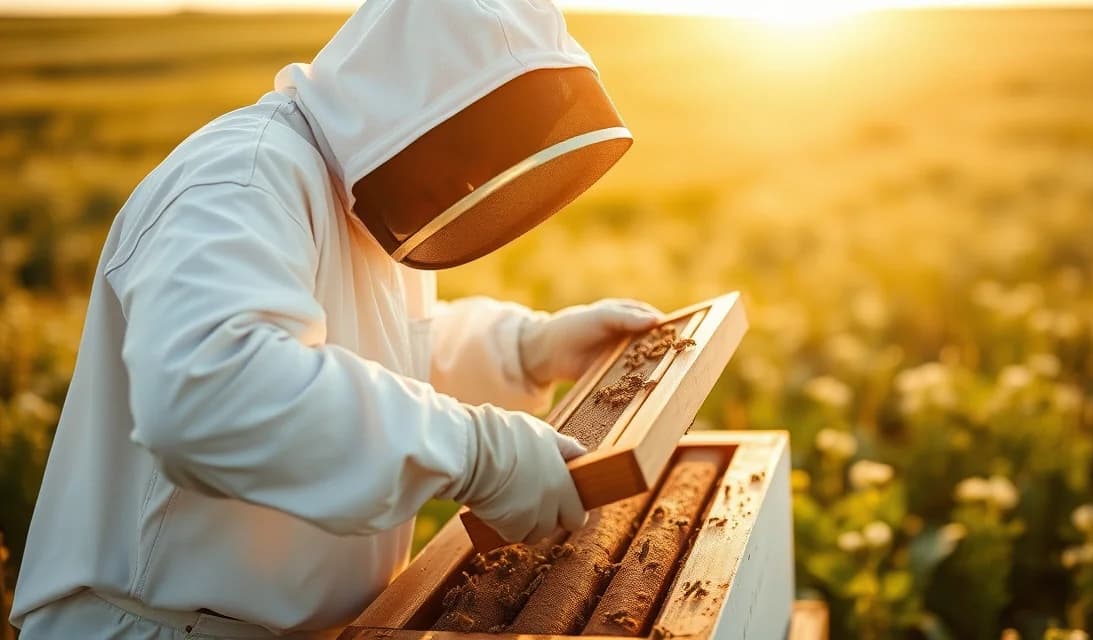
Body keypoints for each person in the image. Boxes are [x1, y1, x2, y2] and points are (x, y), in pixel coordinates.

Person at [10, 0, 653, 637]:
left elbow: (381, 354)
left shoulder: (356, 189)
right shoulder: (241, 179)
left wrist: (526, 349)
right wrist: (474, 452)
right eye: (468, 147)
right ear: (414, 101)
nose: (466, 185)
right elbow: (214, 387)